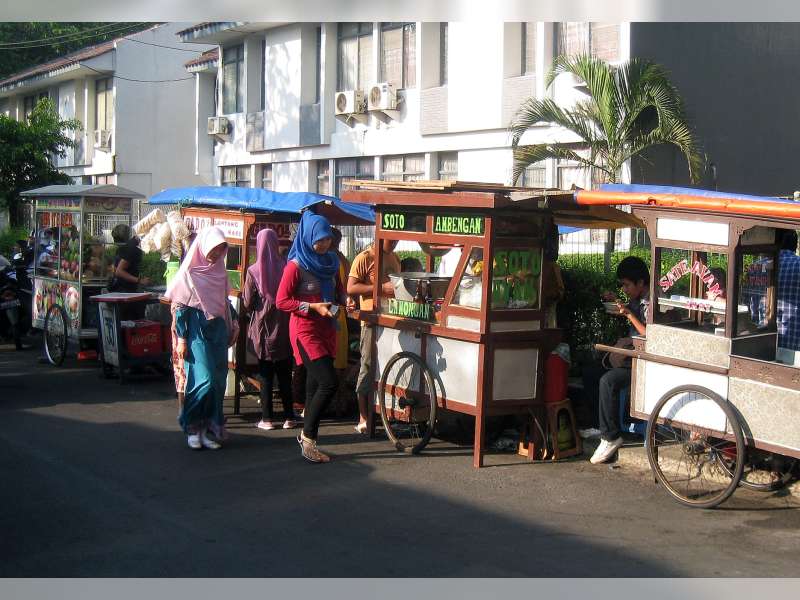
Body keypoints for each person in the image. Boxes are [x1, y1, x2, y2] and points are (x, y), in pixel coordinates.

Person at [276, 211, 347, 463]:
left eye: (327, 239)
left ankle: (309, 441)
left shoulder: (331, 262)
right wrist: (312, 307)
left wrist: (346, 300)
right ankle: (307, 437)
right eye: (319, 239)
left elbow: (339, 291)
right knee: (329, 382)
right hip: (305, 331)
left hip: (327, 328)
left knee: (314, 385)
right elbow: (281, 301)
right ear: (308, 238)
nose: (324, 244)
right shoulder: (295, 266)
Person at [166, 227, 238, 451]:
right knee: (203, 380)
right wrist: (181, 338)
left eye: (220, 249)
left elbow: (225, 302)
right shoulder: (189, 273)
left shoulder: (220, 273)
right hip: (196, 330)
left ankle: (205, 429)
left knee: (217, 383)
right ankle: (192, 427)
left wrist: (233, 325)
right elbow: (179, 305)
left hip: (218, 330)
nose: (216, 254)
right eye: (213, 248)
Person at [587, 256, 650, 465]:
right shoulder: (637, 299)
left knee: (608, 381)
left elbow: (650, 335)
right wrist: (617, 304)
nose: (625, 289)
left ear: (640, 282)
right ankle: (600, 426)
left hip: (645, 362)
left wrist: (629, 314)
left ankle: (611, 437)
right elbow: (631, 313)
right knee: (591, 372)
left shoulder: (652, 302)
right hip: (631, 355)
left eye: (626, 285)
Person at [243, 228, 296, 431]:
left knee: (265, 374)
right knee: (285, 374)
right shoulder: (286, 267)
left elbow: (247, 302)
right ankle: (289, 417)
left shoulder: (253, 271)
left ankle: (267, 419)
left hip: (263, 328)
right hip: (284, 326)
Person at [347, 238, 401, 433]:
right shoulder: (365, 258)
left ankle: (383, 413)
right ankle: (363, 416)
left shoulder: (395, 258)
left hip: (391, 319)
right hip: (370, 321)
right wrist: (379, 288)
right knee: (368, 365)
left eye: (397, 239)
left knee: (388, 365)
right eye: (391, 239)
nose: (394, 242)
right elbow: (351, 287)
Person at [110, 224, 150, 320]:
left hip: (120, 290)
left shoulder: (124, 248)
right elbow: (119, 271)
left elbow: (115, 269)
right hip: (126, 292)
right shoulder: (131, 249)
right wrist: (139, 280)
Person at [778, 230, 800, 351]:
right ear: (795, 245)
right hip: (794, 346)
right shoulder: (798, 265)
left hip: (758, 341)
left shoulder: (756, 266)